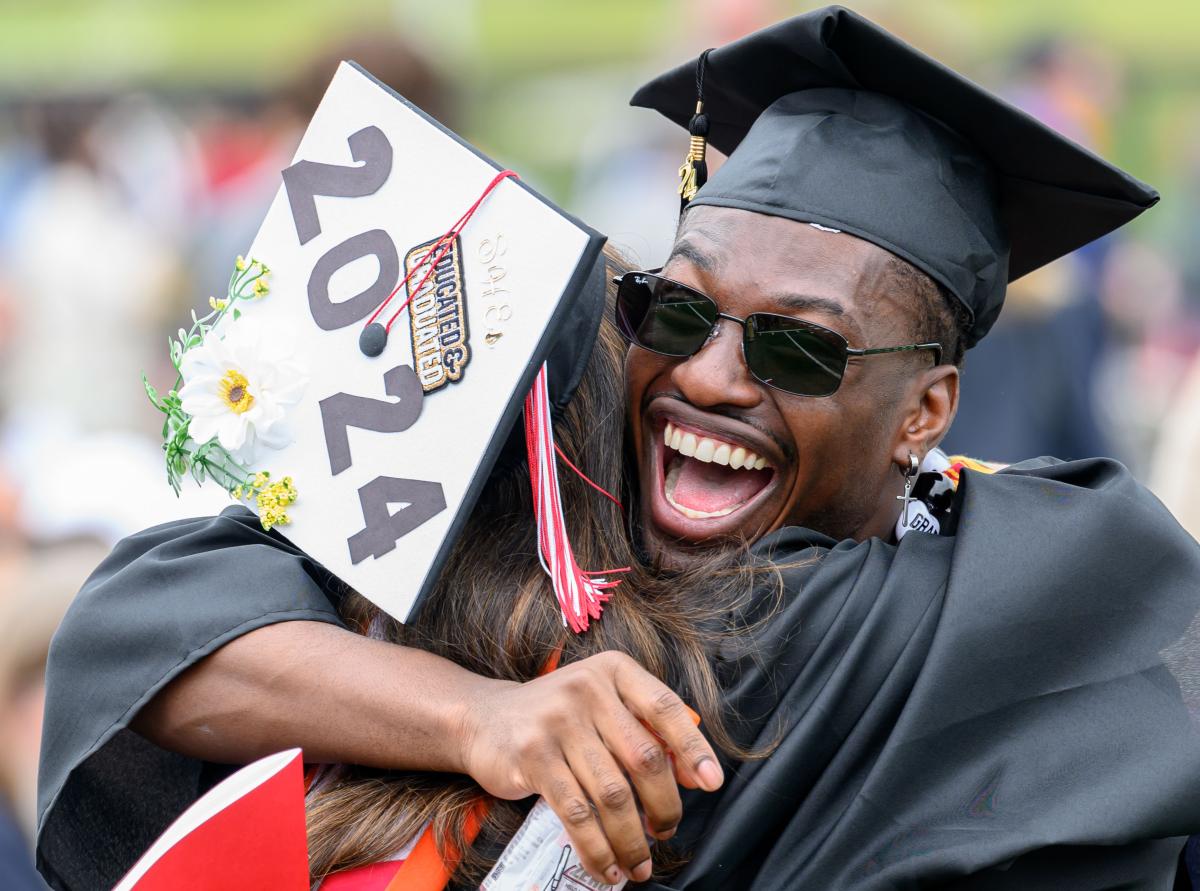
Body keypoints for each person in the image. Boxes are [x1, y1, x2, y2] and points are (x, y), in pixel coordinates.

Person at [37, 8, 1200, 890]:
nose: (706, 376)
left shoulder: (999, 600)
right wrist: (471, 716)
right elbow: (142, 626)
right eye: (676, 312)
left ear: (926, 412)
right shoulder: (525, 500)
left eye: (799, 351)